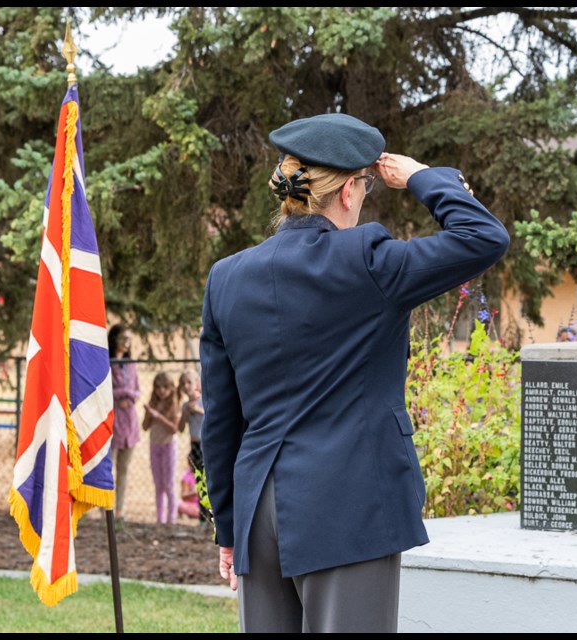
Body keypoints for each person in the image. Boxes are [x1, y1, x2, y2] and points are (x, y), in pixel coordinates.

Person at [200, 112, 509, 632]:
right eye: (365, 186)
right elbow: (483, 237)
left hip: (258, 514)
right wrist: (421, 176)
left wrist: (229, 527)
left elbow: (221, 418)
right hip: (347, 504)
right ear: (348, 191)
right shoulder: (367, 260)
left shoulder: (226, 277)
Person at [108, 324, 140, 521]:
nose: (126, 343)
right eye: (123, 339)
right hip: (113, 420)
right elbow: (106, 392)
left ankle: (119, 510)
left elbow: (136, 391)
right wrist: (123, 394)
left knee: (124, 469)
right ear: (114, 340)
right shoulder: (106, 362)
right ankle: (106, 508)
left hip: (130, 421)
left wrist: (125, 394)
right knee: (108, 467)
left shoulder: (131, 363)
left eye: (129, 339)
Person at [142, 371, 181, 524]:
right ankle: (160, 519)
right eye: (158, 388)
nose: (161, 391)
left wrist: (158, 416)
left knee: (169, 484)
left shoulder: (174, 405)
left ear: (171, 388)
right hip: (154, 446)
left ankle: (172, 520)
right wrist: (149, 414)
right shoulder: (153, 404)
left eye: (165, 387)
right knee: (158, 484)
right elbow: (145, 427)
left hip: (169, 446)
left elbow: (174, 429)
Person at [177, 369, 206, 523]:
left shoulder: (204, 401)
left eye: (189, 382)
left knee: (209, 479)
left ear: (196, 384)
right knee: (199, 480)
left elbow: (211, 418)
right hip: (194, 444)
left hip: (206, 444)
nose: (186, 386)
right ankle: (203, 517)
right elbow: (180, 428)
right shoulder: (186, 405)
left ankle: (213, 515)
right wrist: (185, 415)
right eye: (183, 383)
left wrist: (198, 411)